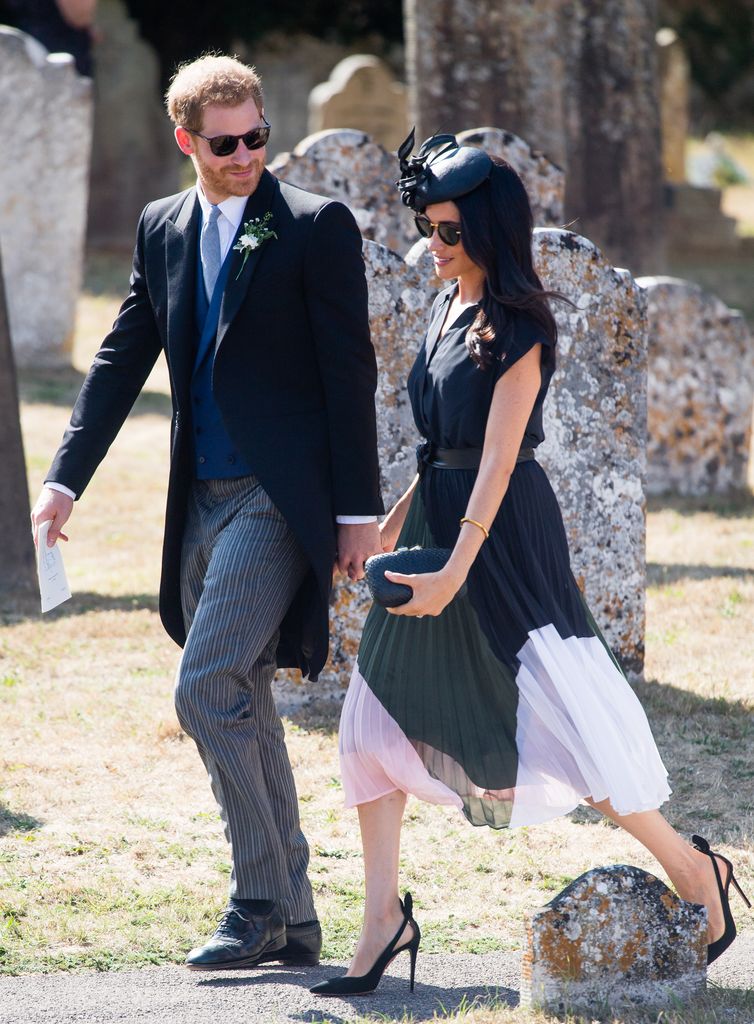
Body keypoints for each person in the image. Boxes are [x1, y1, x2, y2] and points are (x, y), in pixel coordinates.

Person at [310, 131, 750, 997]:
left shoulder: (521, 327)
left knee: (565, 724)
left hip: (502, 538)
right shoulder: (444, 307)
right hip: (441, 521)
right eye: (427, 228)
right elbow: (440, 446)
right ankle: (381, 923)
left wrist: (453, 571)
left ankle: (698, 874)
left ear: (485, 231)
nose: (431, 245)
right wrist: (387, 529)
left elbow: (500, 460)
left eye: (446, 231)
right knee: (366, 732)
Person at [31, 54, 383, 971]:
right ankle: (298, 918)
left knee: (204, 686)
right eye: (224, 144)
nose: (244, 156)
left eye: (257, 137)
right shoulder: (161, 228)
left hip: (281, 497)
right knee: (240, 693)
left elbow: (351, 376)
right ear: (187, 140)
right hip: (201, 499)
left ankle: (258, 898)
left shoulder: (316, 226)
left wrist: (356, 510)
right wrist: (66, 480)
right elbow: (121, 358)